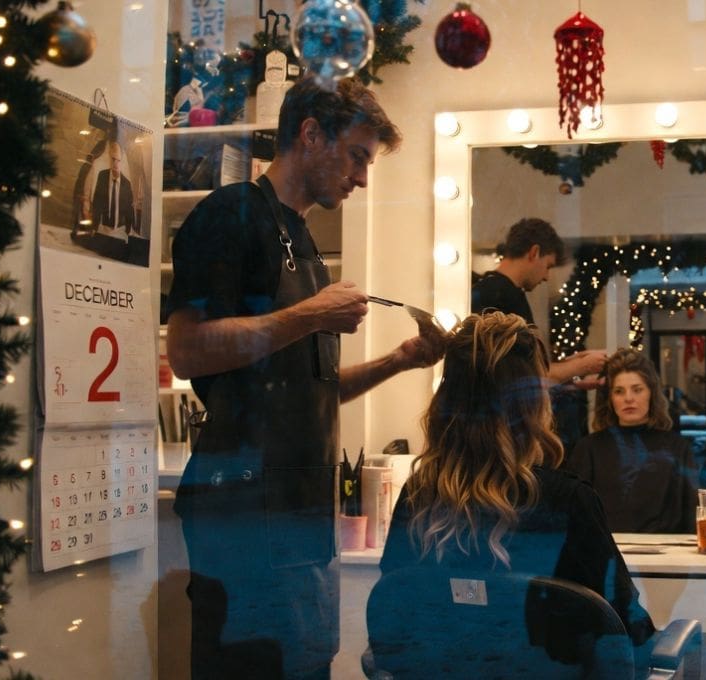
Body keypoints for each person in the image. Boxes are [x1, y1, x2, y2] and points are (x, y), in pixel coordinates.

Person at [166, 78, 446, 680]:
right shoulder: (229, 215)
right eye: (357, 157)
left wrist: (399, 360)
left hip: (301, 517)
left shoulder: (306, 240)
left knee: (308, 666)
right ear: (311, 133)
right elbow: (186, 349)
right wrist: (310, 315)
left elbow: (311, 388)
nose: (362, 178)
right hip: (241, 512)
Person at [379, 312, 655, 666]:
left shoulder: (419, 496)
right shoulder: (568, 502)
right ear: (533, 404)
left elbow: (392, 622)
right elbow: (627, 628)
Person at [565, 349, 698, 533]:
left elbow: (692, 515)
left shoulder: (678, 448)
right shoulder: (588, 449)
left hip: (668, 556)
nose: (629, 398)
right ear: (610, 399)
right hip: (606, 556)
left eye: (637, 389)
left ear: (651, 393)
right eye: (619, 391)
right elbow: (575, 518)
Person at [470, 217, 607, 385]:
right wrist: (581, 366)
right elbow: (528, 374)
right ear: (534, 253)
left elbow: (526, 367)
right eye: (548, 266)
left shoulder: (497, 291)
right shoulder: (501, 298)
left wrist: (572, 370)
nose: (546, 277)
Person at [89, 140, 135, 236]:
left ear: (122, 162)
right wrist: (94, 227)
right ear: (109, 158)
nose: (115, 164)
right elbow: (97, 203)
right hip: (103, 229)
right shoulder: (102, 176)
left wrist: (128, 231)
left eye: (118, 160)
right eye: (113, 159)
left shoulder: (126, 184)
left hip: (120, 230)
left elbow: (129, 211)